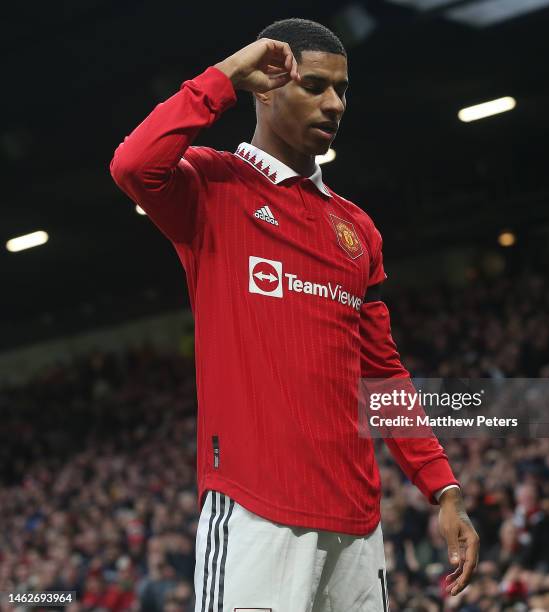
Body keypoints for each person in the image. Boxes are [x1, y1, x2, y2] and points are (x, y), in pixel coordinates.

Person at [109, 17, 479, 612]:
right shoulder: (211, 186)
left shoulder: (356, 229)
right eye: (314, 86)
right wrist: (225, 74)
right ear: (266, 86)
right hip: (257, 513)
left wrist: (443, 488)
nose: (334, 103)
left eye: (342, 90)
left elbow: (383, 374)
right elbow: (133, 165)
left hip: (357, 524)